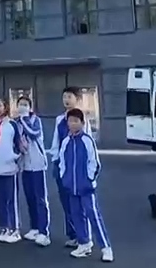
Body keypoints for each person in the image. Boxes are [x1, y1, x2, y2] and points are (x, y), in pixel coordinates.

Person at [58, 108, 114, 262]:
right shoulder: (66, 142)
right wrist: (65, 179)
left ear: (82, 123)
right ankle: (84, 243)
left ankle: (106, 248)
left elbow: (94, 163)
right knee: (76, 215)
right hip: (71, 188)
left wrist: (89, 180)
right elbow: (62, 162)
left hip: (86, 188)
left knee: (94, 216)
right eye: (70, 121)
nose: (73, 124)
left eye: (76, 121)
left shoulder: (87, 140)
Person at [48, 86, 90, 248]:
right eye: (64, 97)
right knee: (66, 201)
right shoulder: (60, 119)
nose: (66, 100)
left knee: (79, 203)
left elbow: (87, 142)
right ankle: (73, 234)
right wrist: (55, 160)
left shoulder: (81, 118)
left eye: (69, 97)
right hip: (61, 164)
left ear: (77, 99)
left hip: (77, 166)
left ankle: (84, 237)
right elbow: (56, 141)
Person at [14, 96, 51, 245]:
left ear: (30, 107)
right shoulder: (16, 122)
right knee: (30, 197)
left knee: (40, 198)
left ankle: (44, 232)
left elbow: (33, 133)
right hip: (25, 165)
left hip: (37, 164)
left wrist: (24, 119)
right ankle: (34, 227)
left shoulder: (35, 120)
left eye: (25, 104)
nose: (22, 107)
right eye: (20, 104)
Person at [0, 98, 23, 243]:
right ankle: (4, 227)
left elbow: (18, 143)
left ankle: (15, 229)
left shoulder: (12, 125)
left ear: (5, 107)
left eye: (0, 105)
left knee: (11, 199)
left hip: (10, 168)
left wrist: (15, 156)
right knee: (1, 199)